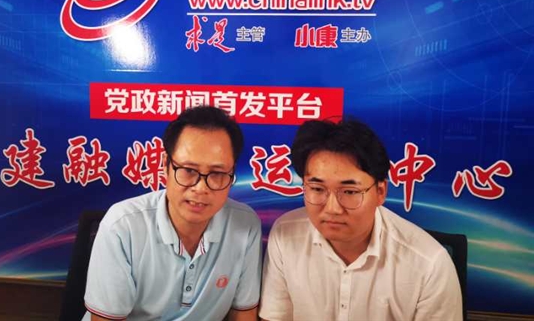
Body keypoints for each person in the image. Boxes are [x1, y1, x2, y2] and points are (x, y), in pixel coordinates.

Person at [259, 119, 462, 321]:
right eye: (317, 189)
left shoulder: (429, 265)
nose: (332, 209)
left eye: (349, 191)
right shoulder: (285, 235)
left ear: (380, 192)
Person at [84, 106, 262, 321]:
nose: (200, 188)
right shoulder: (122, 226)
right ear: (165, 165)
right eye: (188, 170)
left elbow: (243, 314)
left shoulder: (245, 225)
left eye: (217, 173)